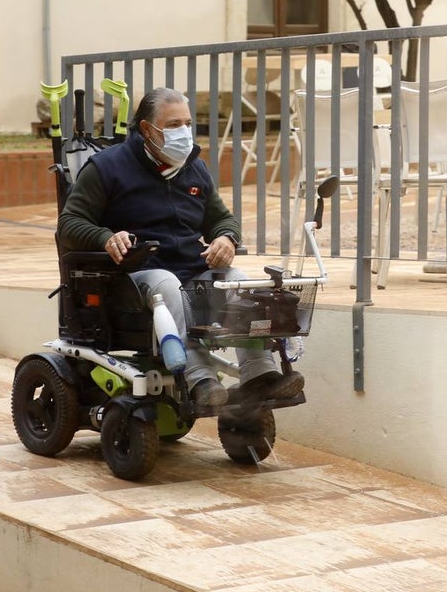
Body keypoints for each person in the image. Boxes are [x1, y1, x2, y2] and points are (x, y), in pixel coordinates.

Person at [57, 87, 304, 407]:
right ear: (147, 129)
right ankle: (199, 377)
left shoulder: (194, 168)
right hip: (134, 273)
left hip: (190, 268)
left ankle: (260, 375)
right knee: (167, 284)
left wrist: (226, 238)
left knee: (236, 278)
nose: (184, 132)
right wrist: (106, 237)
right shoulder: (107, 167)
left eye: (188, 123)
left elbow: (222, 220)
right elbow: (69, 224)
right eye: (174, 125)